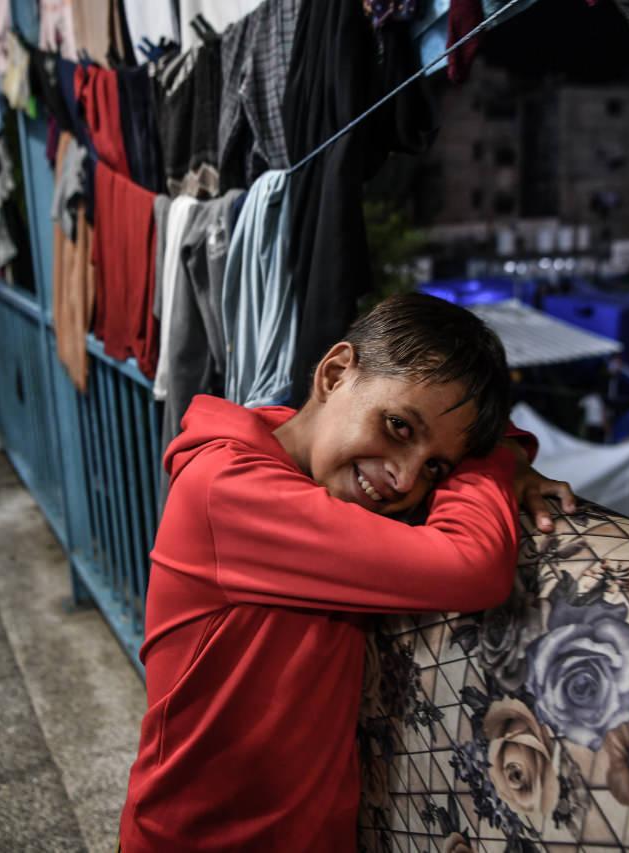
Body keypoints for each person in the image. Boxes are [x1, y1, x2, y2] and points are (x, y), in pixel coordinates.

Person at [120, 294, 576, 851]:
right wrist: (495, 462)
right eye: (398, 427)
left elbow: (453, 435)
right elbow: (472, 564)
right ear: (335, 373)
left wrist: (499, 449)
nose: (407, 480)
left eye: (436, 468)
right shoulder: (229, 490)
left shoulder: (305, 483)